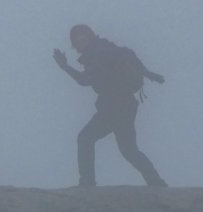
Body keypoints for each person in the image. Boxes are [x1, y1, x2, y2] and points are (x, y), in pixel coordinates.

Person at [53, 24, 167, 187]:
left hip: (115, 106)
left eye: (82, 38)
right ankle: (156, 182)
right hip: (121, 105)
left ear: (89, 37)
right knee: (128, 150)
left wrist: (64, 66)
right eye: (76, 40)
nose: (79, 42)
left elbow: (84, 80)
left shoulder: (97, 53)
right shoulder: (103, 49)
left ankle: (87, 183)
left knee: (86, 138)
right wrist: (147, 73)